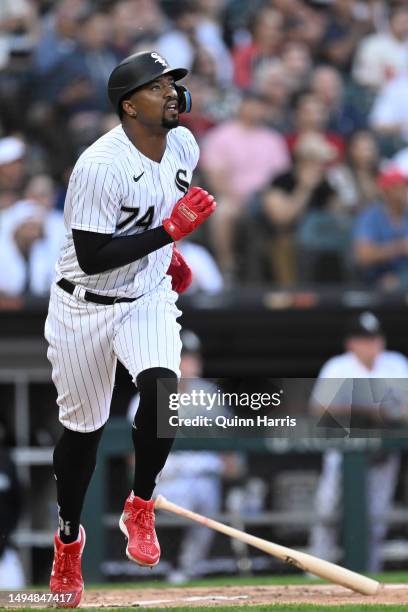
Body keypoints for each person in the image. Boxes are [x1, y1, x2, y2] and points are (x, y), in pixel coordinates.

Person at [44, 50, 216, 608]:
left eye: (172, 83)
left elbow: (162, 214)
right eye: (157, 86)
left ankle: (141, 505)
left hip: (145, 295)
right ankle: (69, 539)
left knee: (165, 391)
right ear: (128, 105)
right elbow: (93, 256)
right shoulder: (100, 164)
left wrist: (170, 254)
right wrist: (169, 234)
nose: (170, 92)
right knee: (83, 434)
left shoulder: (184, 144)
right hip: (84, 304)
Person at [309, 311, 408, 572]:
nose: (371, 345)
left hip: (382, 456)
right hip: (342, 451)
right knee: (327, 514)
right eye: (364, 339)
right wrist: (366, 408)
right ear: (351, 343)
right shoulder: (338, 366)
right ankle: (316, 574)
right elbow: (319, 408)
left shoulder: (395, 364)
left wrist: (387, 413)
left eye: (375, 339)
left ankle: (368, 572)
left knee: (375, 521)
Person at [353, 166, 408, 289]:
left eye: (405, 187)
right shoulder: (371, 217)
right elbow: (363, 255)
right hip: (376, 277)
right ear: (385, 192)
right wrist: (400, 247)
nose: (403, 192)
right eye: (397, 188)